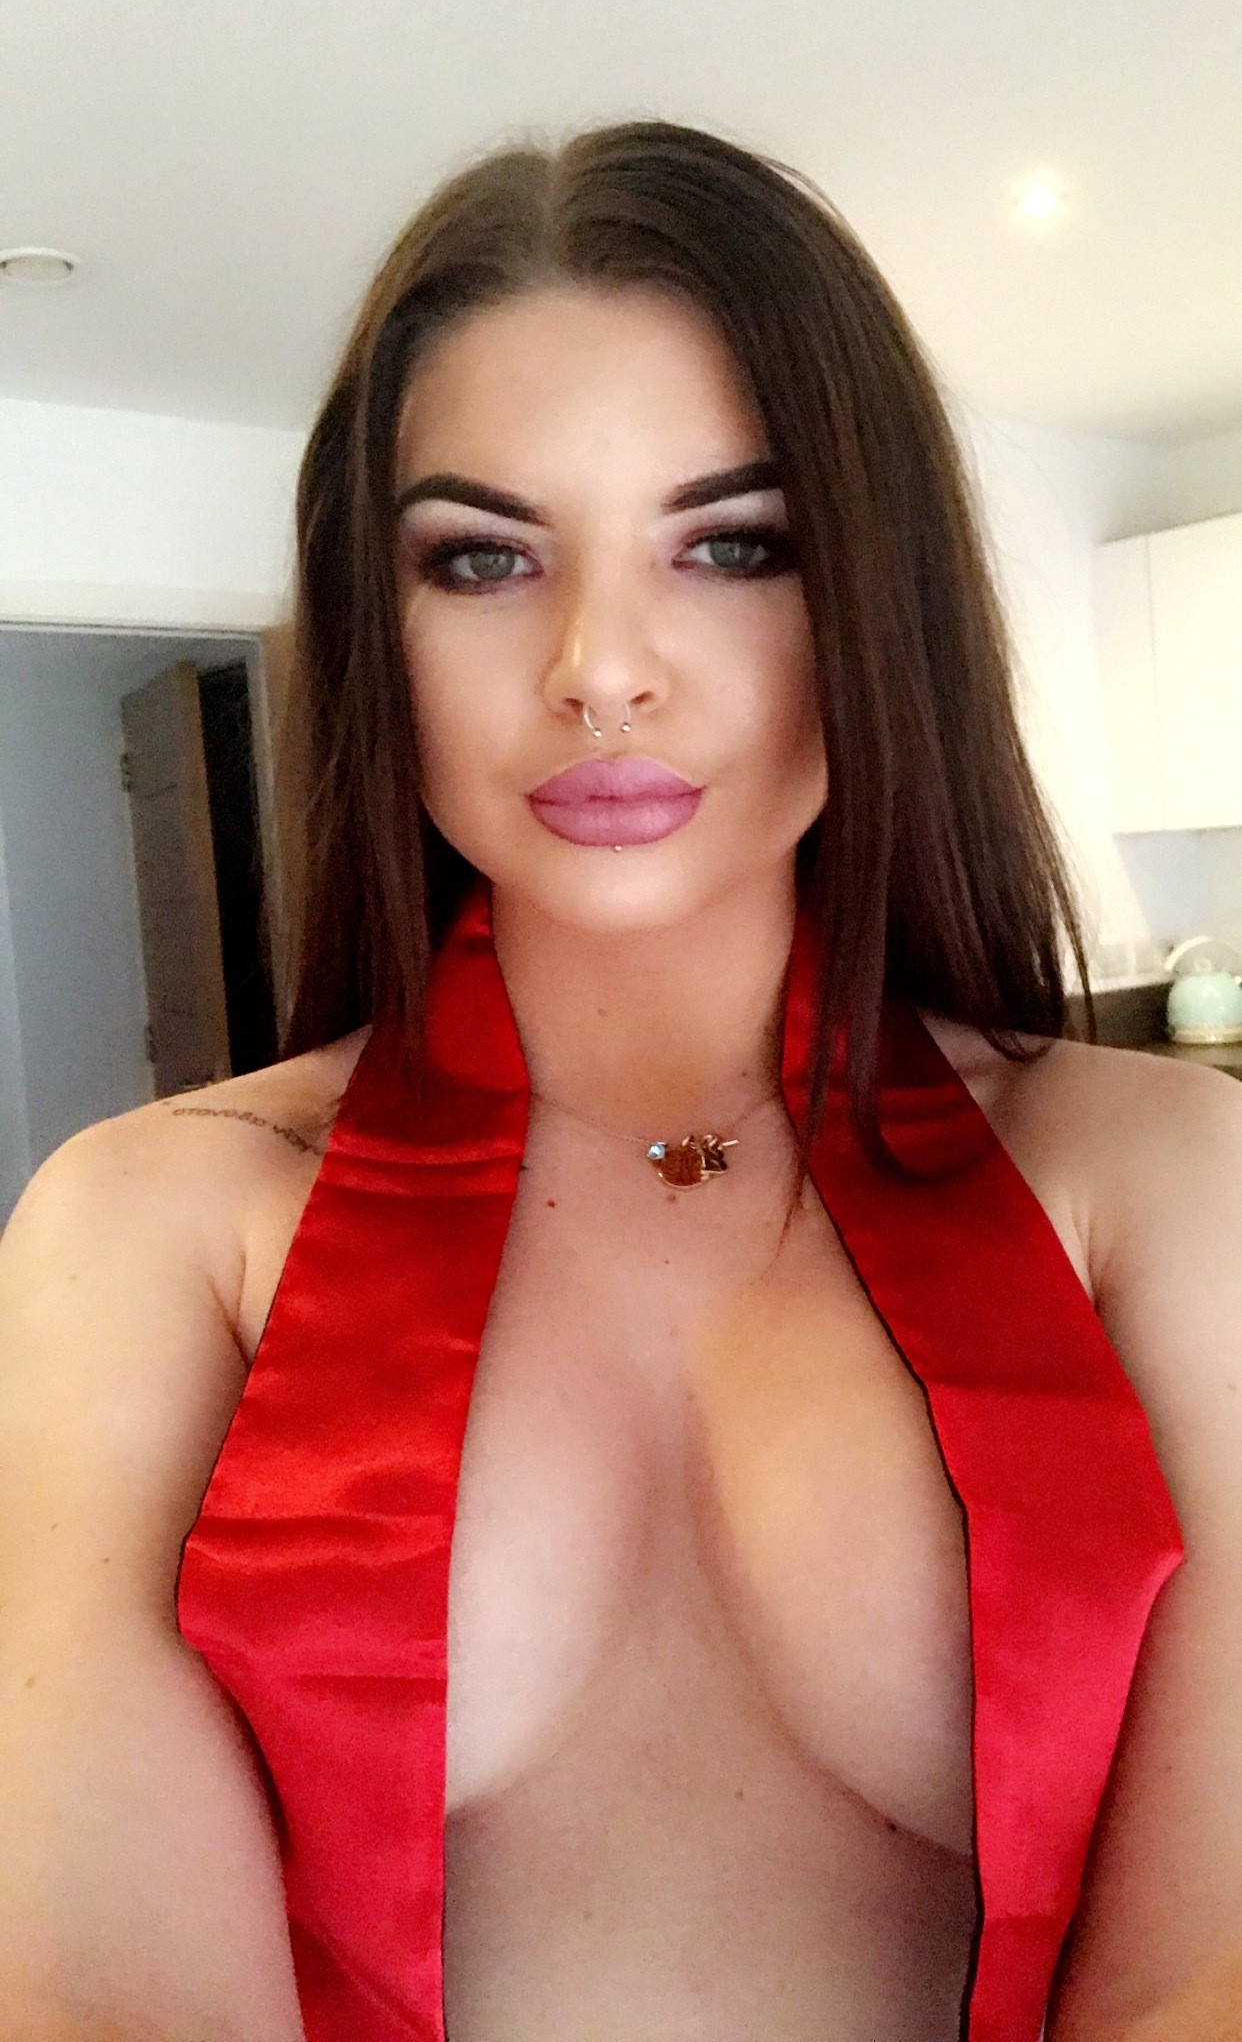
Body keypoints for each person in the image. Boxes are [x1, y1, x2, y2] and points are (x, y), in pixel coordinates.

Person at [1, 119, 1240, 2042]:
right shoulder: (149, 1229)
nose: (600, 667)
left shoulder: (1169, 1182)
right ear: (377, 627)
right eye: (483, 558)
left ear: (877, 598)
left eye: (732, 544)